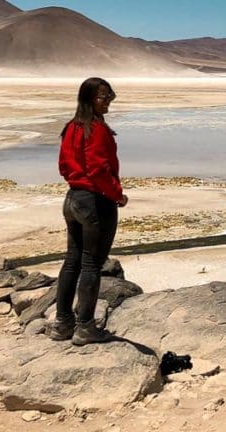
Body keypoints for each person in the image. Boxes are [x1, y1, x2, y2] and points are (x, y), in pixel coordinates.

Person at [47, 77, 128, 345]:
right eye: (103, 96)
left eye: (110, 96)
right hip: (95, 201)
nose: (108, 101)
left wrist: (78, 184)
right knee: (91, 263)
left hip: (73, 199)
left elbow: (63, 166)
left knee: (72, 261)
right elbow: (98, 170)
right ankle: (85, 327)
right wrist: (117, 195)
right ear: (88, 99)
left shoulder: (71, 127)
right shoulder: (96, 129)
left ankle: (63, 324)